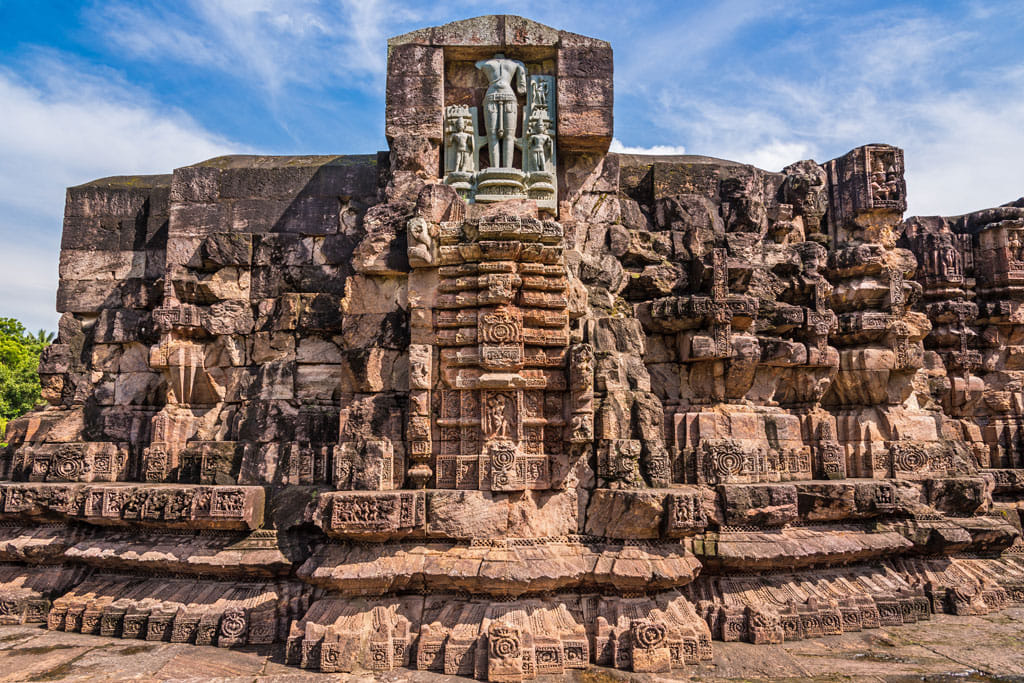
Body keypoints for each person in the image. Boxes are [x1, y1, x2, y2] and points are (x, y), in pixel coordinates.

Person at [474, 53, 527, 168]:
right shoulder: (485, 63)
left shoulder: (516, 64)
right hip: (494, 96)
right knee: (493, 135)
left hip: (506, 96)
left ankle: (507, 168)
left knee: (508, 136)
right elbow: (521, 88)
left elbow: (522, 89)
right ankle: (494, 168)